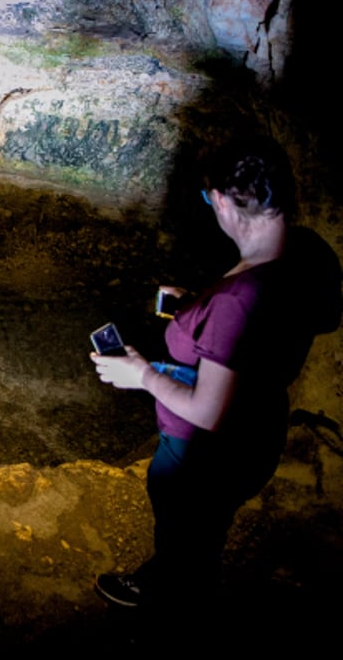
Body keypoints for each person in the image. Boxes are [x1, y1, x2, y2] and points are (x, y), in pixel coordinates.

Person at [89, 136, 341, 612]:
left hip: (203, 456)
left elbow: (207, 410)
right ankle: (178, 578)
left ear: (222, 201)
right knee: (205, 532)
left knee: (186, 537)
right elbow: (286, 324)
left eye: (210, 198)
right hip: (259, 431)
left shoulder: (237, 302)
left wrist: (142, 374)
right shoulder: (309, 253)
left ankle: (173, 603)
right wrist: (196, 309)